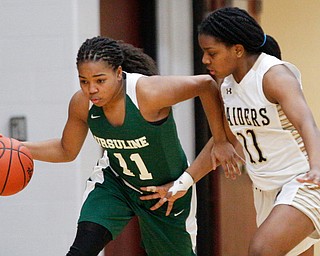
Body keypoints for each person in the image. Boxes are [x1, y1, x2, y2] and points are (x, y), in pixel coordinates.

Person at [23, 36, 240, 256]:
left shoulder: (147, 93)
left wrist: (220, 140)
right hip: (116, 184)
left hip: (167, 193)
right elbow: (65, 150)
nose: (91, 90)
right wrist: (15, 147)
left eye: (100, 80)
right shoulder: (82, 103)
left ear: (118, 73)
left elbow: (205, 84)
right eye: (84, 81)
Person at [140, 7, 320, 256]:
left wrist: (316, 167)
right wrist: (183, 182)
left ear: (237, 49)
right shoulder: (227, 86)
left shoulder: (273, 75)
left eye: (211, 53)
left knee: (261, 250)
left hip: (303, 180)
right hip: (267, 189)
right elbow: (222, 141)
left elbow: (307, 123)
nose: (205, 60)